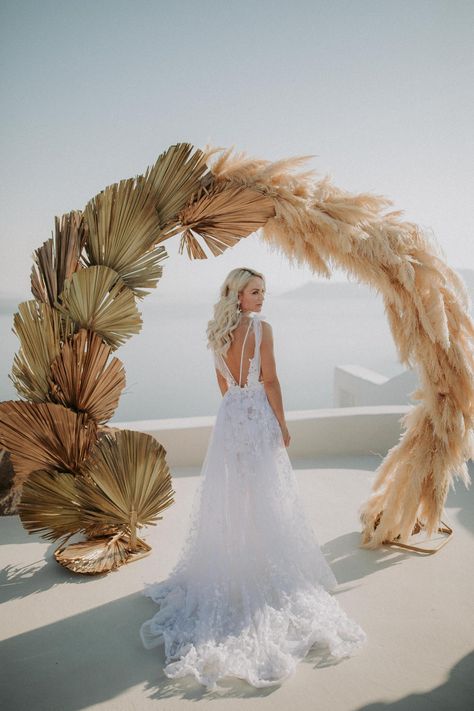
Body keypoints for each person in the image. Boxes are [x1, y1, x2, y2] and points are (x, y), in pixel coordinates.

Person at [139, 267, 367, 690]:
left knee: (233, 494)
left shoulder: (216, 331)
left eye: (263, 291)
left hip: (230, 418)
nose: (262, 298)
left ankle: (236, 556)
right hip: (257, 415)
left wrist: (237, 413)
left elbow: (222, 385)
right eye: (254, 292)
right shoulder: (262, 329)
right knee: (264, 493)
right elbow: (272, 380)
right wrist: (280, 423)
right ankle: (259, 563)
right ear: (237, 295)